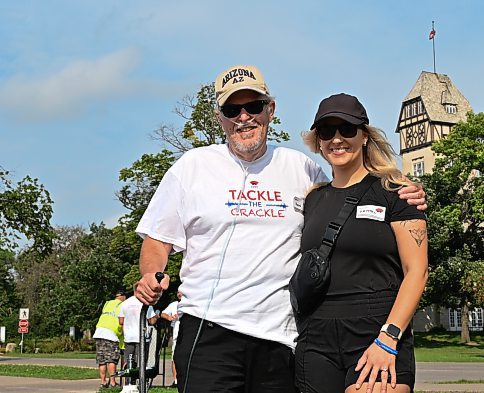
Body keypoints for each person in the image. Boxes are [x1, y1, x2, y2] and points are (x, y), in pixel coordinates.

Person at [134, 65, 426, 393]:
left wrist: (400, 187)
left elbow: (348, 188)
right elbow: (158, 240)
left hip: (280, 337)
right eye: (233, 110)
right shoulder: (192, 166)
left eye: (254, 107)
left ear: (270, 110)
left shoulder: (302, 169)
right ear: (220, 118)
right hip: (209, 331)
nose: (244, 117)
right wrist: (151, 273)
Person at [295, 93, 429, 393]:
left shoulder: (396, 191)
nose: (337, 139)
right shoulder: (312, 199)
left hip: (377, 332)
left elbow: (417, 271)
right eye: (327, 132)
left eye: (347, 129)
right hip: (316, 339)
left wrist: (389, 338)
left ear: (365, 136)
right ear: (318, 141)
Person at [118, 289, 158, 374]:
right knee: (142, 360)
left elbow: (121, 321)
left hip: (128, 336)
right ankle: (141, 381)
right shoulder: (146, 303)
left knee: (128, 360)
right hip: (141, 336)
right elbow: (152, 321)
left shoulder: (125, 303)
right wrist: (156, 316)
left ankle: (128, 382)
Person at [93, 289, 126, 389]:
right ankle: (112, 382)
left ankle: (103, 382)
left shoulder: (107, 303)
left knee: (102, 360)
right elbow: (122, 321)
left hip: (99, 332)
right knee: (111, 359)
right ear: (123, 296)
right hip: (111, 334)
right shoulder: (123, 305)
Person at [160, 291, 182, 388]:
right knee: (174, 357)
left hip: (188, 334)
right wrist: (169, 317)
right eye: (177, 292)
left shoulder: (191, 304)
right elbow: (162, 313)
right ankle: (176, 380)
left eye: (181, 292)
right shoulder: (174, 304)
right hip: (177, 335)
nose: (179, 294)